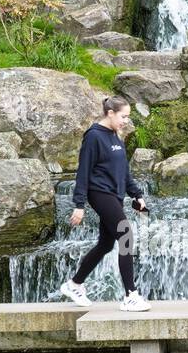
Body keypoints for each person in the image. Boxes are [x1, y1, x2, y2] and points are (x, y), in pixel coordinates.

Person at [58, 97, 152, 312]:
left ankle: (74, 284)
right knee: (126, 235)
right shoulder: (93, 136)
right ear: (110, 113)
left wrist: (137, 195)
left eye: (128, 117)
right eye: (123, 116)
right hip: (99, 193)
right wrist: (79, 204)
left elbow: (123, 171)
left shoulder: (115, 136)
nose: (126, 121)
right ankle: (130, 295)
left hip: (115, 194)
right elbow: (83, 172)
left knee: (106, 244)